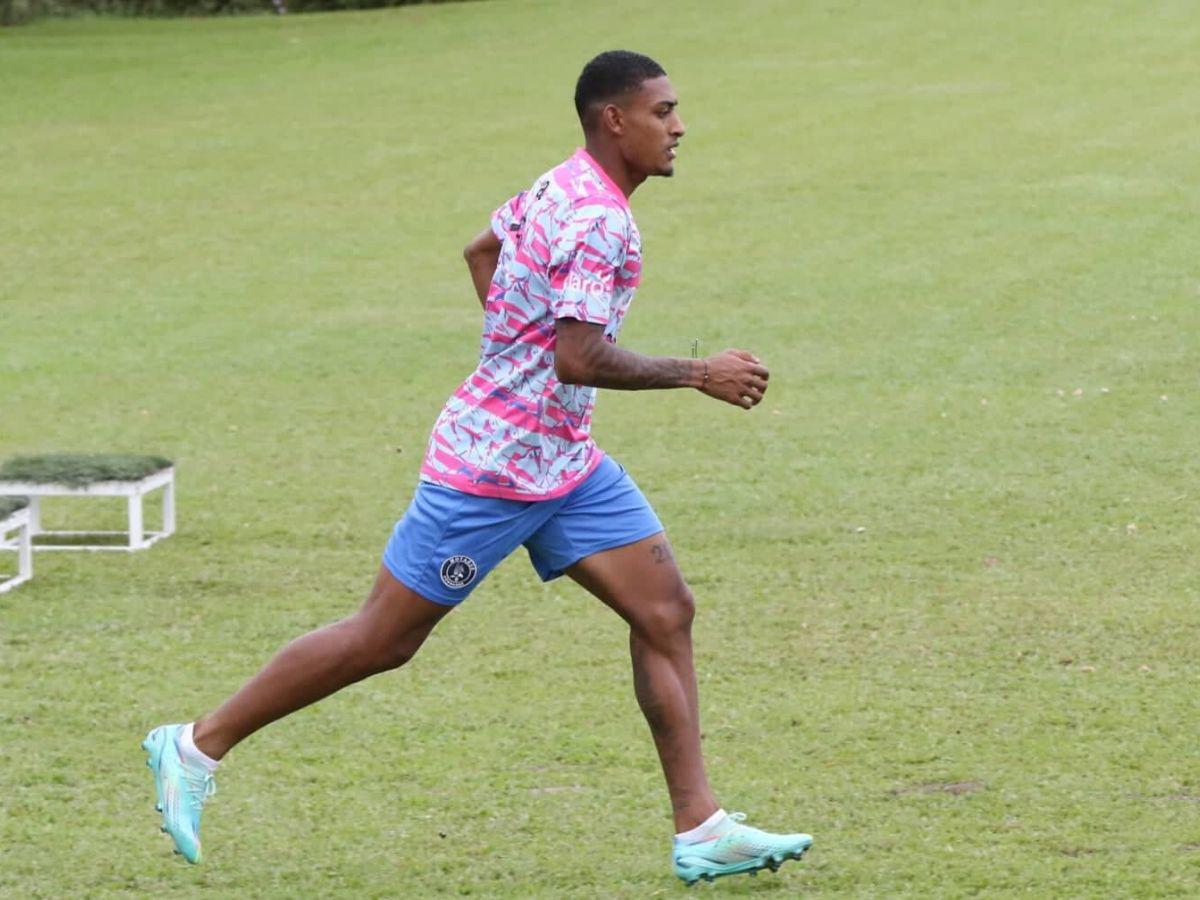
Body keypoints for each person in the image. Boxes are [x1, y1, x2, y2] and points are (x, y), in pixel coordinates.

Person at [143, 49, 812, 886]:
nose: (679, 127)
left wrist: (511, 359)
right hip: (490, 474)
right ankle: (195, 746)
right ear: (615, 120)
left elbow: (480, 251)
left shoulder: (558, 185)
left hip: (563, 464)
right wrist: (698, 371)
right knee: (382, 640)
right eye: (663, 111)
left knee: (665, 611)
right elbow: (579, 356)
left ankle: (701, 828)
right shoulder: (599, 220)